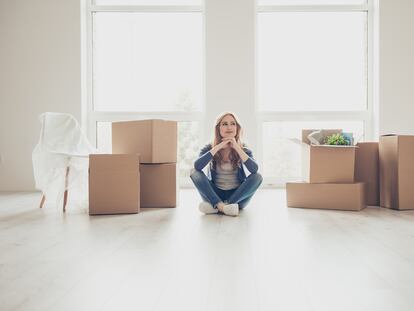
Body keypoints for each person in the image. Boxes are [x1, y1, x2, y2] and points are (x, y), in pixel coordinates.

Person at [190, 112, 263, 216]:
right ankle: (222, 206)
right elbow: (197, 166)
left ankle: (218, 207)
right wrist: (218, 147)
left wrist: (237, 147)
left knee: (258, 177)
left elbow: (254, 170)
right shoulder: (210, 147)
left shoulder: (244, 149)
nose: (229, 127)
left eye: (233, 124)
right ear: (218, 128)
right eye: (224, 124)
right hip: (215, 194)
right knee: (194, 172)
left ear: (237, 128)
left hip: (238, 196)